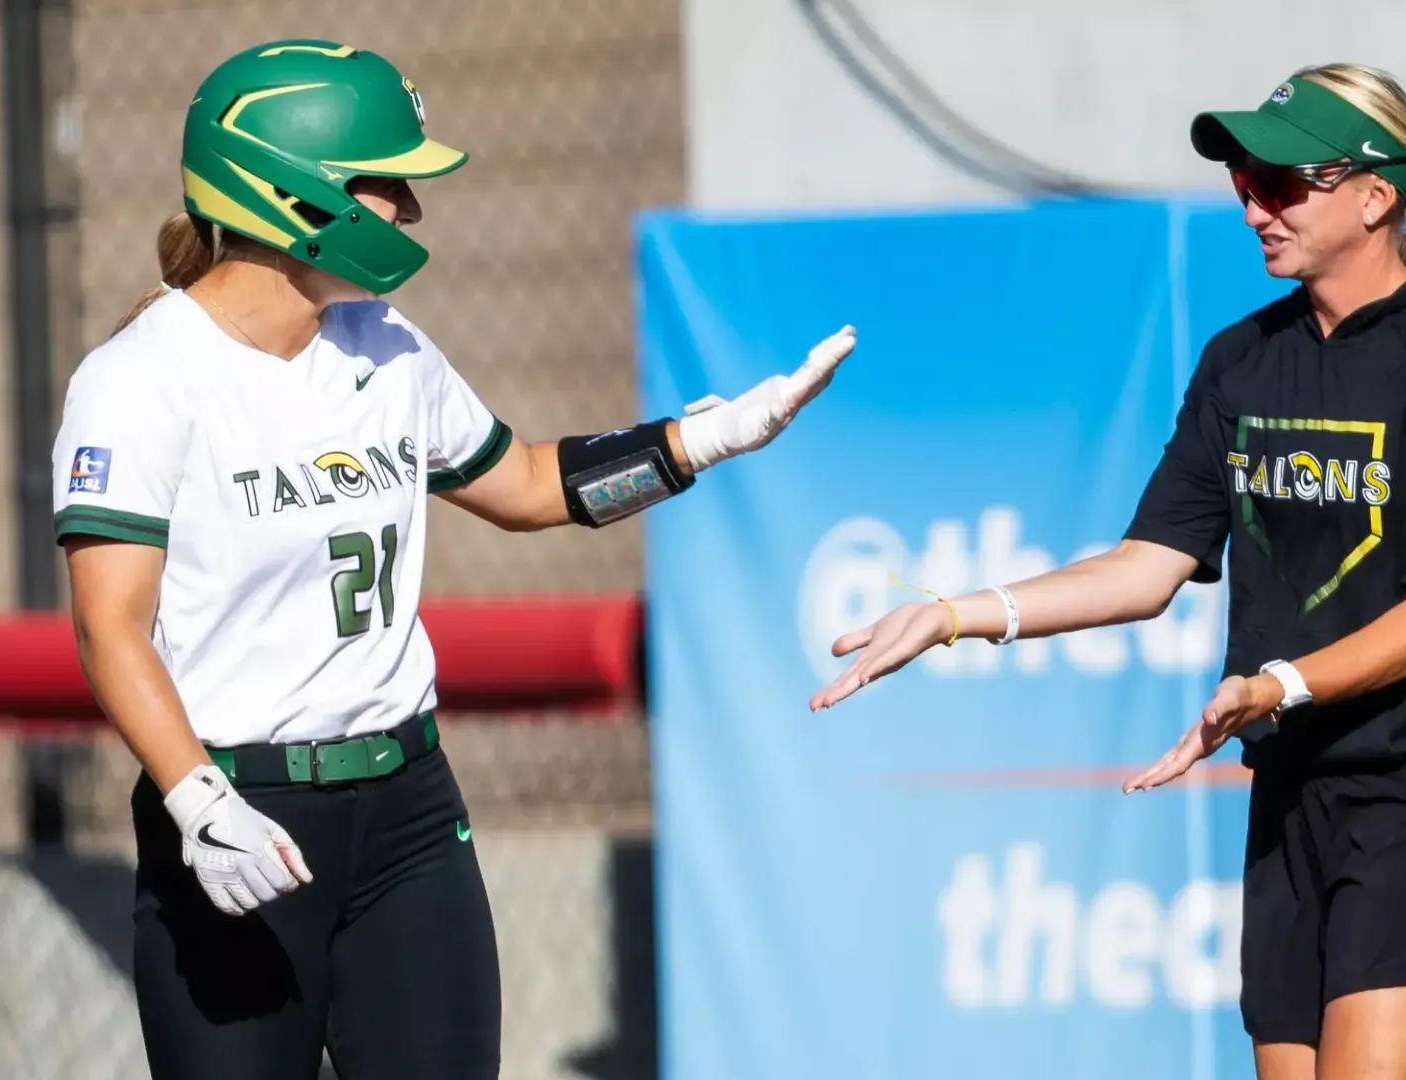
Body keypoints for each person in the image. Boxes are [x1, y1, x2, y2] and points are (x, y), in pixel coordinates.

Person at [52, 38, 854, 1080]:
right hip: (241, 817)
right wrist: (199, 806)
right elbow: (109, 627)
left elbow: (520, 483)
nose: (412, 214)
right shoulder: (140, 379)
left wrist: (695, 444)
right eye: (390, 186)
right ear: (295, 196)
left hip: (407, 813)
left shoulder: (387, 348)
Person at [811, 63, 1406, 1080]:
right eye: (1244, 178)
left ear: (1378, 195)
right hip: (1291, 797)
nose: (1253, 205)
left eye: (1284, 183)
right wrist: (953, 614)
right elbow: (1147, 567)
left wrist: (1281, 683)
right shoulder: (1241, 360)